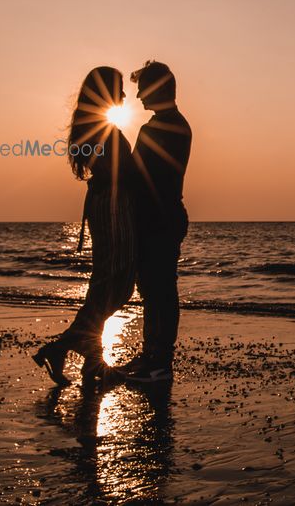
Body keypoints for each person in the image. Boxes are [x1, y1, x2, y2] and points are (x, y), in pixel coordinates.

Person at [33, 67, 138, 386]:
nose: (123, 95)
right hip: (112, 205)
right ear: (105, 91)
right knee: (115, 282)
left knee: (108, 282)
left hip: (106, 203)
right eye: (118, 89)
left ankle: (91, 360)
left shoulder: (91, 126)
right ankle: (64, 347)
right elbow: (116, 171)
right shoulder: (100, 129)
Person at [121, 60, 192, 383]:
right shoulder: (173, 124)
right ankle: (153, 355)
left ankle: (159, 361)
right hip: (163, 215)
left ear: (157, 89)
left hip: (158, 218)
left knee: (160, 289)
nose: (138, 98)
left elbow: (137, 175)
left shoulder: (162, 128)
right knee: (154, 289)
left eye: (141, 90)